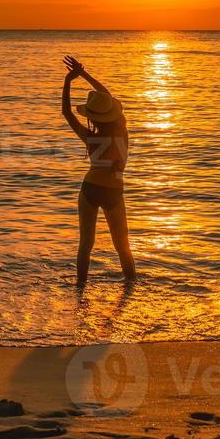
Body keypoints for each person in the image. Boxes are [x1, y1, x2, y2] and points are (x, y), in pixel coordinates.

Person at [61, 55, 136, 285]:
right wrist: (84, 74)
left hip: (90, 188)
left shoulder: (91, 138)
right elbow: (107, 96)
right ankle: (132, 286)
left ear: (93, 116)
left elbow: (67, 113)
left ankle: (80, 290)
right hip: (114, 191)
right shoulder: (121, 131)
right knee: (122, 246)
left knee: (86, 244)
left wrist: (69, 81)